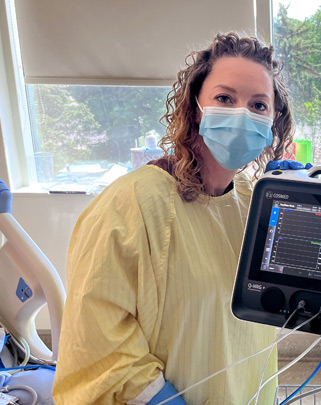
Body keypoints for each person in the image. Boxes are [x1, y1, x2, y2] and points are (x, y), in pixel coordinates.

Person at [53, 33, 305, 404]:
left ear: (273, 121)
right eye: (224, 98)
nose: (242, 115)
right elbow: (96, 337)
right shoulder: (130, 204)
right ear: (194, 106)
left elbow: (307, 282)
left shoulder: (256, 201)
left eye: (258, 105)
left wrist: (317, 203)